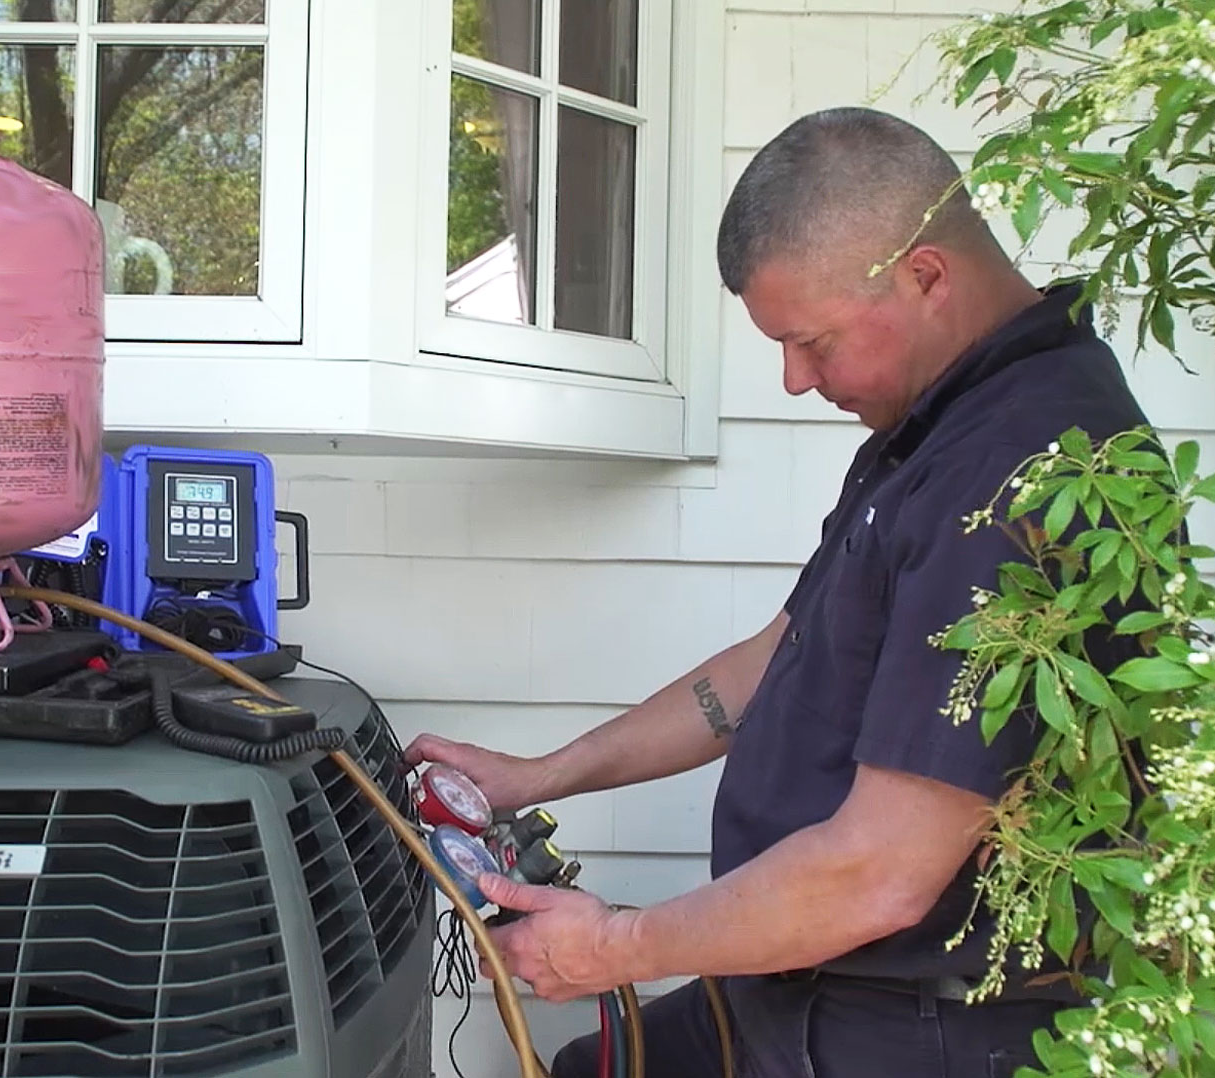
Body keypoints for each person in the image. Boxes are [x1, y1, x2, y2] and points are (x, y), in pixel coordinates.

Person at [404, 106, 1154, 1078]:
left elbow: (883, 874)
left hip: (909, 1029)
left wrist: (615, 944)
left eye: (814, 341)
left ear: (926, 276)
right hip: (792, 978)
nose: (796, 380)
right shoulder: (933, 425)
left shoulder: (1020, 470)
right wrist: (540, 775)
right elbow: (778, 657)